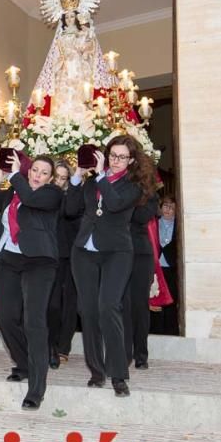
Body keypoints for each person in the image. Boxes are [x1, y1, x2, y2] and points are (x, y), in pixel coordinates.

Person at [66, 135, 158, 398]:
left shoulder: (134, 185)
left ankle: (118, 374)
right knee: (89, 310)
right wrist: (77, 176)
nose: (116, 161)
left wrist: (101, 178)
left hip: (117, 252)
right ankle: (96, 371)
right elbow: (70, 209)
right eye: (113, 155)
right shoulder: (91, 180)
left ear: (131, 160)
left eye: (122, 157)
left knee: (109, 307)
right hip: (84, 251)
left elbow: (116, 203)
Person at [0, 154, 63, 410]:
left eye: (43, 172)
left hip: (39, 261)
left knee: (34, 322)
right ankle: (24, 363)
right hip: (9, 259)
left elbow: (31, 198)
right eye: (34, 170)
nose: (37, 175)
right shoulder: (12, 193)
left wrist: (16, 176)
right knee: (5, 317)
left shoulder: (51, 194)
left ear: (50, 178)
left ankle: (37, 389)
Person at [122, 192, 160, 370]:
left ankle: (141, 354)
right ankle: (122, 353)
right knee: (119, 305)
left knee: (139, 305)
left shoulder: (149, 195)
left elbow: (142, 216)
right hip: (116, 253)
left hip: (140, 255)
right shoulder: (115, 189)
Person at [48, 160, 80, 367]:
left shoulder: (72, 198)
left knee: (69, 303)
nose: (59, 182)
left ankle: (63, 347)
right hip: (48, 255)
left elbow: (71, 215)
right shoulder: (43, 196)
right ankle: (50, 345)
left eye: (63, 178)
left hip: (70, 255)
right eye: (56, 177)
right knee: (51, 303)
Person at [152, 195, 180, 336]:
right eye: (166, 206)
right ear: (161, 207)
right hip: (156, 268)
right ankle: (156, 331)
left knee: (170, 301)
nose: (169, 209)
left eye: (173, 207)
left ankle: (170, 332)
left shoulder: (180, 225)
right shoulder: (154, 223)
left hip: (171, 268)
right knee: (155, 300)